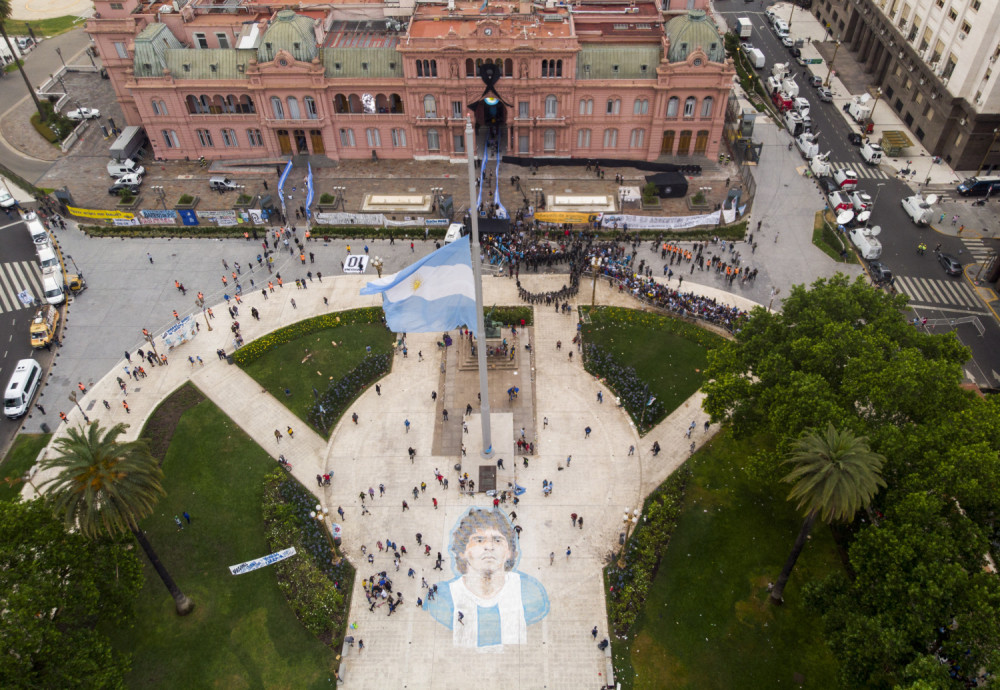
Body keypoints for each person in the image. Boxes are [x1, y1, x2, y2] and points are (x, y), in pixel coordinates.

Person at [425, 508, 549, 648]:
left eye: (497, 540)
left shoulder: (530, 593)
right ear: (461, 552)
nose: (489, 547)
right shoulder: (445, 597)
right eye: (479, 540)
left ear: (509, 552)